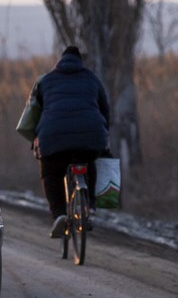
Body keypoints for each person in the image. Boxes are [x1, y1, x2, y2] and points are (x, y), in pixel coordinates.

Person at [23, 45, 112, 238]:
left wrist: (36, 139)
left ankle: (59, 215)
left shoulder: (46, 81)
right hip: (90, 134)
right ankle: (92, 206)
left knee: (51, 172)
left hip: (53, 138)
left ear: (59, 62)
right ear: (80, 61)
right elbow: (105, 110)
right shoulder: (91, 78)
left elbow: (34, 114)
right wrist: (105, 134)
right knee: (90, 162)